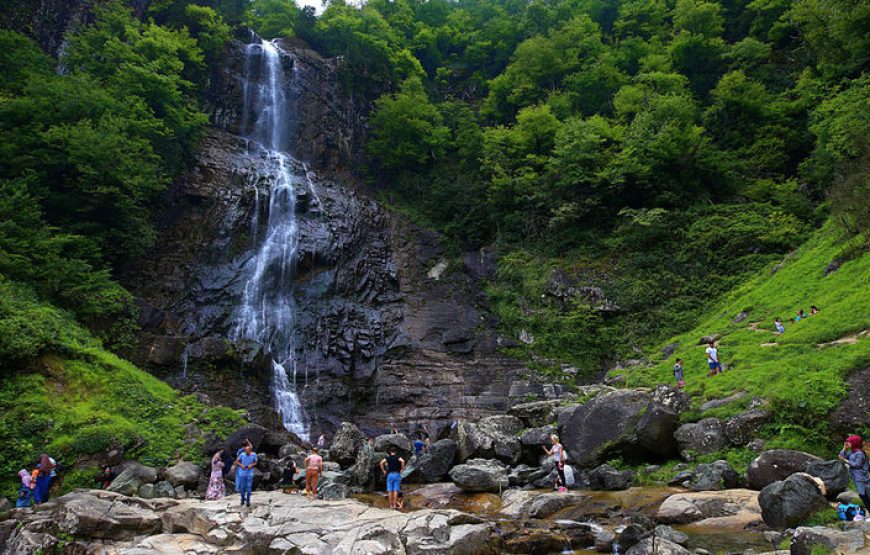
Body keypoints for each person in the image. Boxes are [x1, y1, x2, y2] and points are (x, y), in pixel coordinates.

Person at [839, 435, 870, 508]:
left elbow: (856, 464)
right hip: (856, 477)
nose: (848, 443)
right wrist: (844, 449)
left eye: (849, 442)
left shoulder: (859, 453)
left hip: (862, 478)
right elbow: (841, 456)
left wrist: (845, 460)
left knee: (864, 495)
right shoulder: (852, 452)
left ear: (855, 442)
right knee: (863, 495)